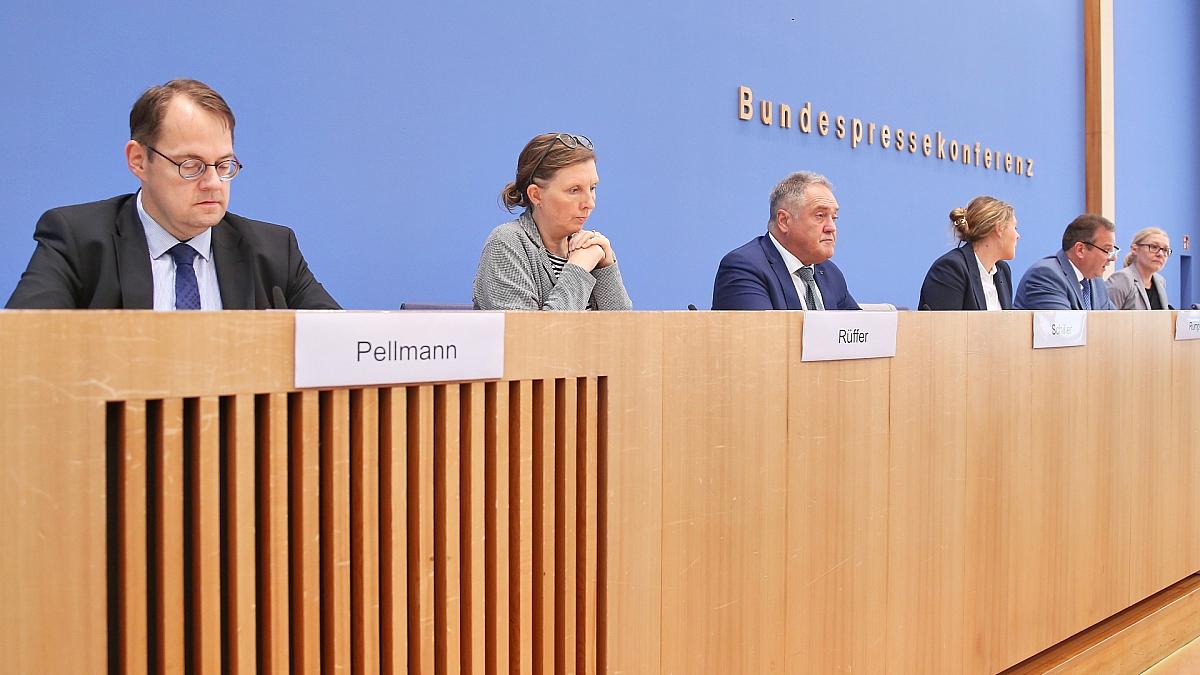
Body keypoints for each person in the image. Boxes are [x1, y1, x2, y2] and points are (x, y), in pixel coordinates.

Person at [6, 79, 338, 310]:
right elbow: (21, 345)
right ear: (139, 160)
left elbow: (343, 347)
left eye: (224, 165)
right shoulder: (78, 241)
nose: (213, 183)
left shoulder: (273, 251)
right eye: (191, 166)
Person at [473, 133, 631, 311]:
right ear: (536, 195)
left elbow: (626, 327)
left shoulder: (590, 249)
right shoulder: (506, 243)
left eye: (592, 188)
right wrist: (579, 268)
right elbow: (527, 329)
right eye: (574, 190)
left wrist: (606, 266)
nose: (590, 203)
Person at [712, 171, 858, 310]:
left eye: (834, 218)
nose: (831, 228)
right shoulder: (745, 268)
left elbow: (857, 325)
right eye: (820, 216)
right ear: (784, 221)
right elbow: (764, 327)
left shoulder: (830, 273)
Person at [918, 196, 1019, 310]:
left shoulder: (1002, 270)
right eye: (1015, 228)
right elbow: (945, 321)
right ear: (999, 228)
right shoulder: (951, 269)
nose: (1017, 236)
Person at [1014, 213, 1117, 310]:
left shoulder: (1097, 282)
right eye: (1107, 250)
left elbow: (1115, 320)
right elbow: (1063, 322)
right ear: (1080, 250)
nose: (1113, 258)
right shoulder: (1046, 276)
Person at [1106, 227, 1171, 310]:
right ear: (1134, 249)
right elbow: (1106, 316)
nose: (1161, 254)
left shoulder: (1160, 281)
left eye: (1165, 250)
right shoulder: (1121, 279)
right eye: (1154, 247)